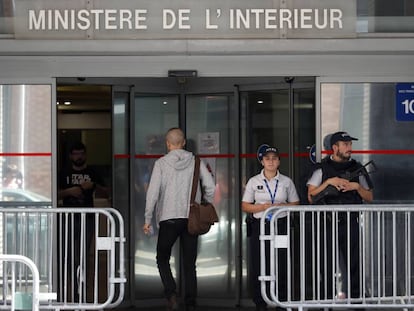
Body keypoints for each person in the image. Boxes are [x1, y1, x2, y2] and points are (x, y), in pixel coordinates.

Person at [143, 128, 215, 311]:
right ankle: (191, 302)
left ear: (168, 144)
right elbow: (211, 187)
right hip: (191, 218)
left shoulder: (161, 163)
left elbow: (152, 193)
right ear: (183, 143)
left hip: (168, 219)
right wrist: (204, 202)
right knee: (189, 263)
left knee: (162, 258)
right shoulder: (196, 161)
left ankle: (171, 294)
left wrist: (147, 218)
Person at [307, 131, 373, 304]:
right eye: (345, 144)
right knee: (326, 266)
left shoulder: (357, 168)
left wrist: (356, 187)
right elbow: (310, 195)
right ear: (334, 147)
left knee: (354, 266)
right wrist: (329, 182)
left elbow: (369, 197)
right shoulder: (321, 169)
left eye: (350, 144)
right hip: (327, 223)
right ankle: (325, 303)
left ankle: (357, 303)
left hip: (351, 222)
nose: (349, 148)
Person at [242, 145, 300, 311]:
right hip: (260, 226)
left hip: (280, 226)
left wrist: (283, 205)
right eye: (267, 158)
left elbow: (296, 204)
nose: (271, 161)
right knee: (259, 263)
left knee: (281, 262)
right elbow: (245, 206)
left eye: (274, 158)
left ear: (279, 161)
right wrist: (262, 208)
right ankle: (260, 301)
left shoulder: (286, 181)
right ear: (262, 161)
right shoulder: (254, 181)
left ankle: (281, 300)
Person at [58, 141, 109, 301]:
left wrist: (93, 185)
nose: (78, 157)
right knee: (67, 254)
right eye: (75, 154)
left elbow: (107, 192)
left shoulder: (93, 172)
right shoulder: (63, 173)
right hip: (68, 218)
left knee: (84, 254)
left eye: (81, 153)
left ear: (85, 155)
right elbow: (55, 194)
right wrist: (69, 191)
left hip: (87, 218)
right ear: (70, 156)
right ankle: (68, 287)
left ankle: (82, 287)